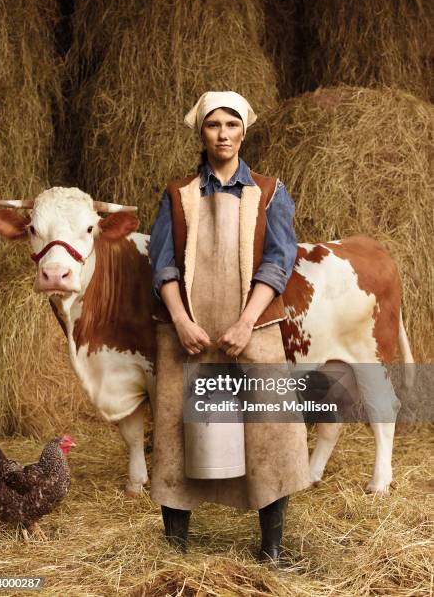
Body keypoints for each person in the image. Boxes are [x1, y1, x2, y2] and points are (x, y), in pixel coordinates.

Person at [148, 91, 310, 565]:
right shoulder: (177, 194)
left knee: (268, 434)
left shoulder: (270, 191)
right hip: (189, 336)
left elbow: (279, 263)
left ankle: (272, 549)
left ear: (244, 131)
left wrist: (246, 321)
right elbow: (162, 267)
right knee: (180, 435)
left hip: (251, 330)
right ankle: (176, 549)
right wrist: (180, 321)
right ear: (201, 132)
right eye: (213, 125)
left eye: (231, 125)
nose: (223, 134)